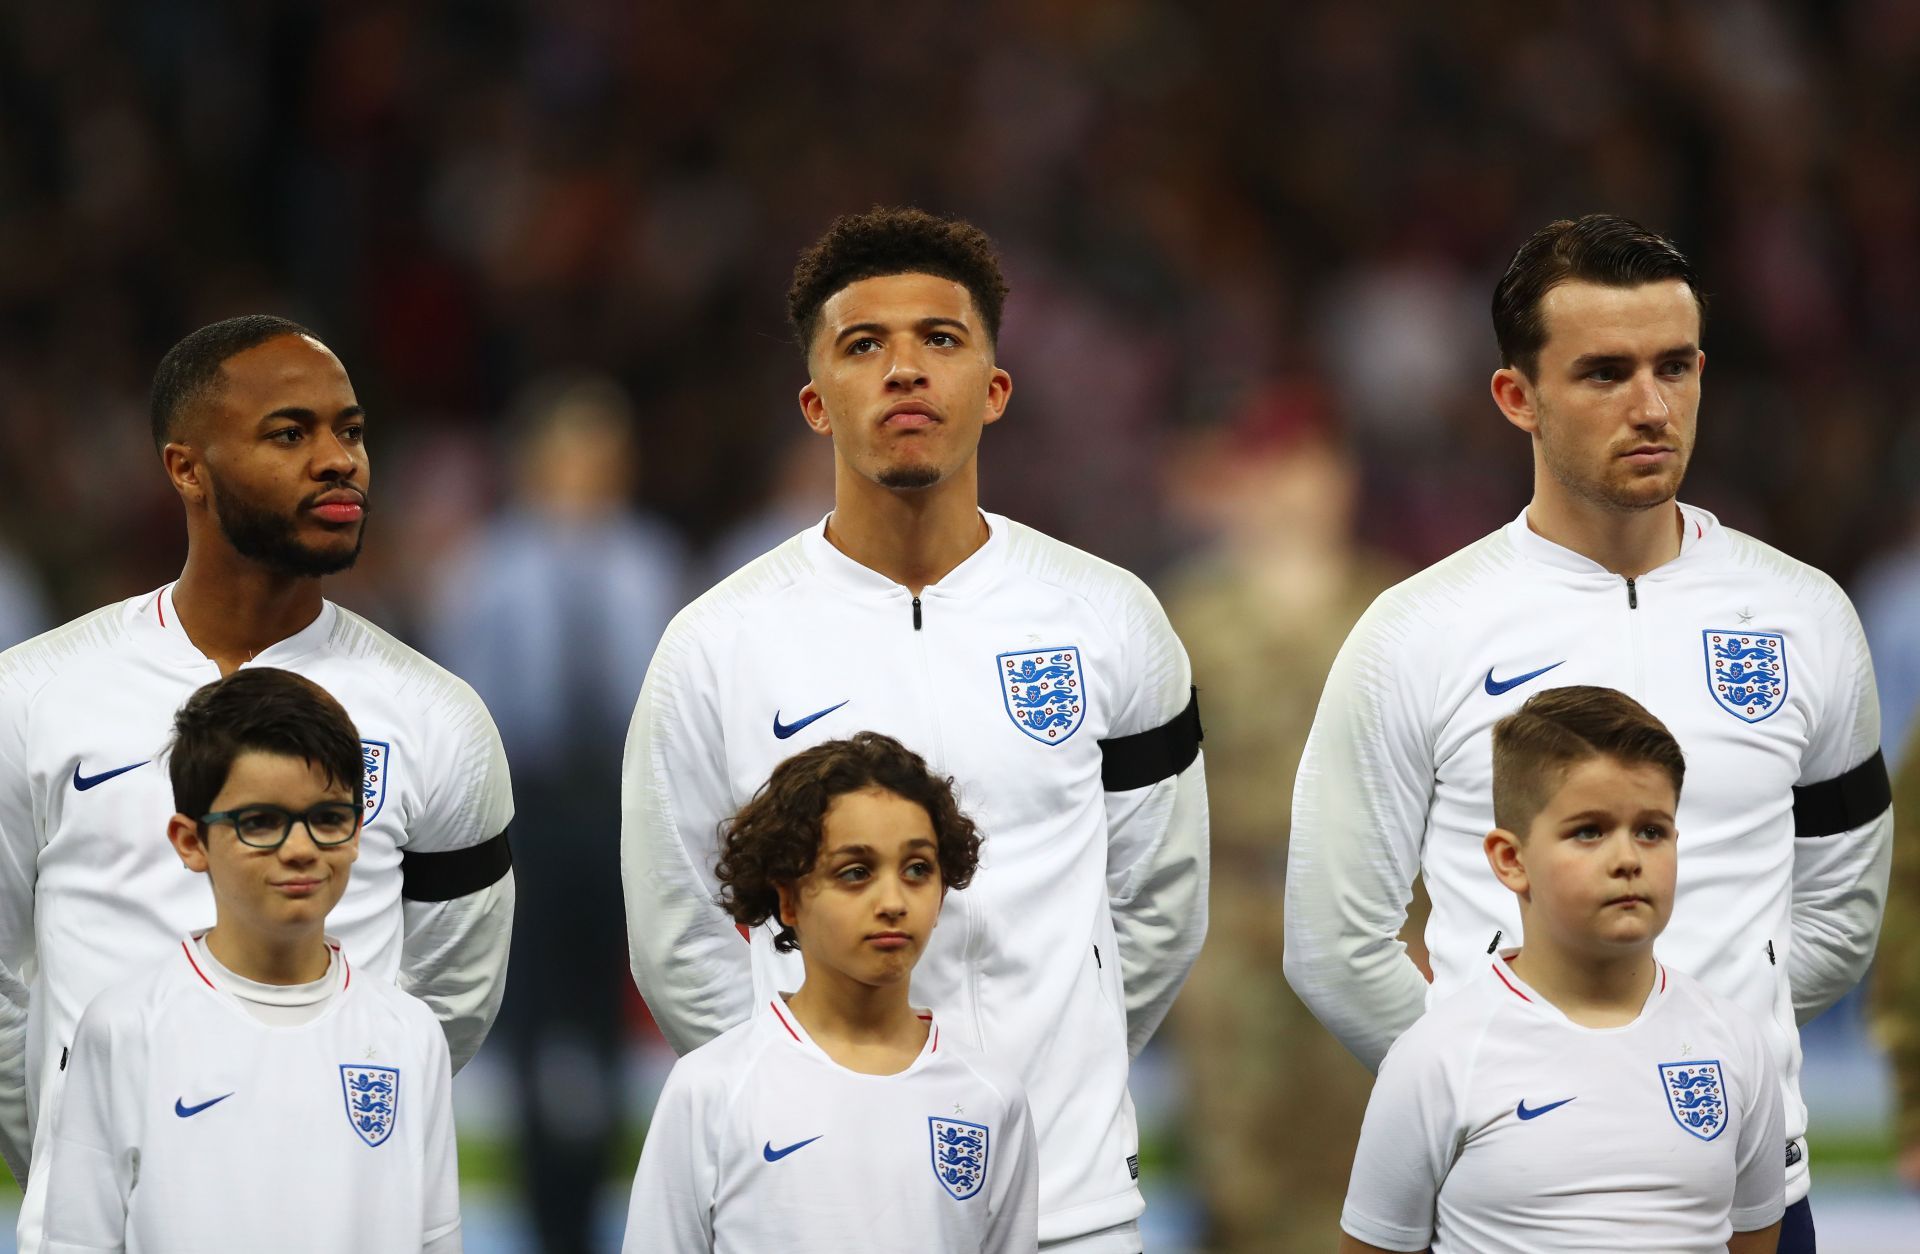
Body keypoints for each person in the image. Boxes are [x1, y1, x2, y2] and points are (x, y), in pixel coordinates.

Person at [1286, 214, 1890, 1250]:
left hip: (1745, 1201)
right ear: (1516, 397)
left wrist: (1698, 1073)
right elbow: (1333, 943)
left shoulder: (1807, 618)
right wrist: (1499, 1094)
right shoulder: (1417, 632)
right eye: (1605, 372)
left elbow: (1839, 916)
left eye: (1675, 366)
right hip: (1504, 1211)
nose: (1652, 406)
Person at [622, 207, 1208, 1253]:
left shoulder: (1112, 621)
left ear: (994, 388)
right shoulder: (714, 647)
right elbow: (681, 938)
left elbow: (1159, 902)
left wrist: (1050, 1087)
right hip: (824, 1212)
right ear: (814, 401)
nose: (904, 370)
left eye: (939, 339)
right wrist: (807, 1121)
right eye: (864, 345)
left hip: (1070, 1207)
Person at [0, 316, 513, 1242]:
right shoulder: (34, 697)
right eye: (291, 434)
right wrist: (84, 1150)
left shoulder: (442, 720)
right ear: (185, 467)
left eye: (351, 432)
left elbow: (446, 1005)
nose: (339, 461)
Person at [1339, 685, 1784, 1253]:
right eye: (1589, 831)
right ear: (1511, 860)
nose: (1627, 859)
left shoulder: (1736, 1044)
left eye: (1652, 830)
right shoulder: (1438, 1057)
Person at [37, 667, 461, 1252]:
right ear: (190, 841)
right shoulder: (125, 1027)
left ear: (358, 831)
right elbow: (79, 1241)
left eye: (327, 818)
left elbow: (436, 1236)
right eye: (259, 822)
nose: (300, 848)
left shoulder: (409, 1034)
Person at [429, 371, 685, 1254]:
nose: (586, 470)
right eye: (570, 452)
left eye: (602, 453)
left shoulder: (648, 558)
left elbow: (668, 699)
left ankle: (599, 1210)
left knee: (616, 1017)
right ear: (535, 464)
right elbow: (461, 704)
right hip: (529, 810)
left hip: (616, 810)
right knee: (539, 1020)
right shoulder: (489, 568)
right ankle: (546, 1222)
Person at [622, 732, 1038, 1252]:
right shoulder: (710, 1090)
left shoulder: (991, 1098)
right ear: (788, 900)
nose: (893, 901)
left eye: (917, 869)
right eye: (856, 872)